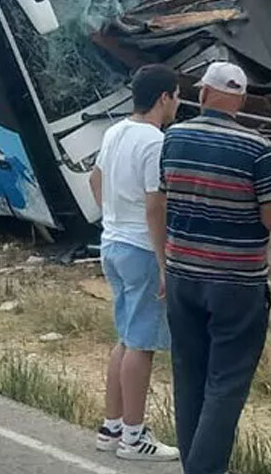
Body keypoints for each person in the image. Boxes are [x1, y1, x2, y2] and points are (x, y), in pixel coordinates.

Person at [160, 62, 271, 474]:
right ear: (241, 99)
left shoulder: (174, 137)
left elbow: (167, 194)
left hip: (182, 273)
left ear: (205, 94)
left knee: (189, 375)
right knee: (227, 384)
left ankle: (194, 465)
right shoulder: (257, 148)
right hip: (236, 282)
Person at [87, 64, 182, 461]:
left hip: (113, 242)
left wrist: (111, 217)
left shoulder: (115, 132)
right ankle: (133, 435)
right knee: (142, 344)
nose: (178, 104)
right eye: (177, 96)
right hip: (142, 249)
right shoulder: (154, 141)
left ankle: (111, 427)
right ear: (164, 98)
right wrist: (164, 261)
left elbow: (95, 179)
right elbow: (155, 205)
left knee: (126, 338)